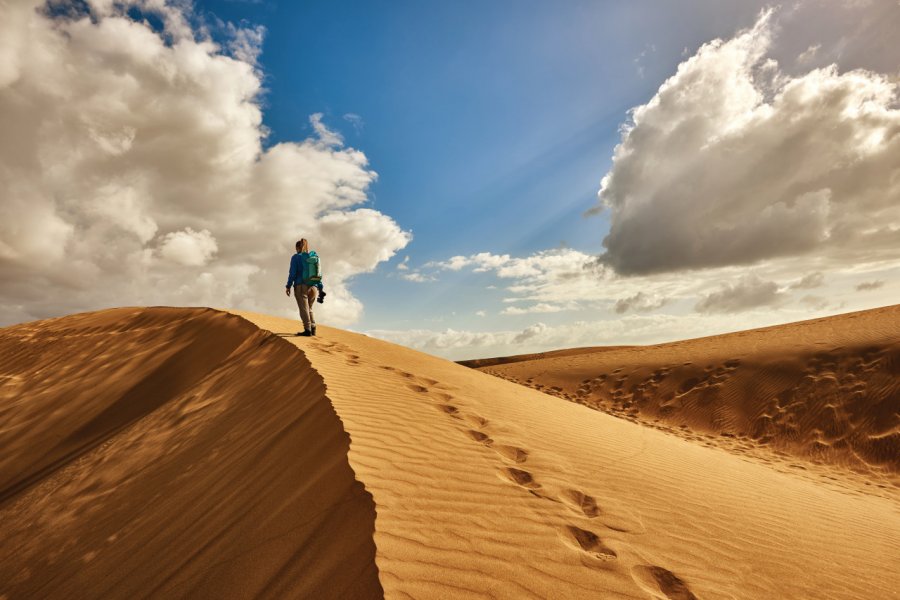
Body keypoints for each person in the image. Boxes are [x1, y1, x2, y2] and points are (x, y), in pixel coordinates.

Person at [285, 238, 319, 336]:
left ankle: (307, 330)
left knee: (303, 309)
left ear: (297, 247)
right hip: (313, 286)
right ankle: (313, 328)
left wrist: (288, 285)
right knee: (310, 308)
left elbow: (292, 273)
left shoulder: (296, 257)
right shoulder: (312, 257)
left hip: (301, 286)